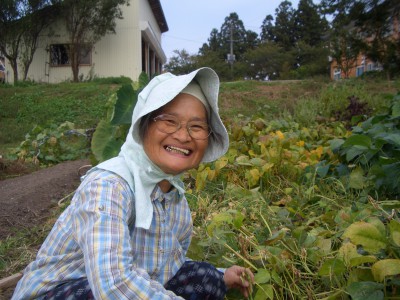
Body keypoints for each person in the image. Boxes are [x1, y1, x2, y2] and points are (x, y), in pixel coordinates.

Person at [12, 67, 254, 300]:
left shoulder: (175, 198)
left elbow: (167, 263)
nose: (183, 135)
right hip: (61, 291)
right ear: (144, 124)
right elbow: (114, 285)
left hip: (120, 283)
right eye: (169, 121)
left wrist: (221, 276)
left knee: (204, 277)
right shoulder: (108, 185)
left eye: (197, 126)